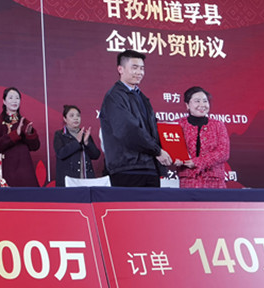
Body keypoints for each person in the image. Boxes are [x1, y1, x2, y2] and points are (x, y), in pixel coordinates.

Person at [99, 50, 174, 187]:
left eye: (142, 68)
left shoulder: (141, 96)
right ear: (120, 69)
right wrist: (157, 151)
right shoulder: (114, 97)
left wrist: (172, 152)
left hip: (149, 167)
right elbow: (128, 131)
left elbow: (152, 130)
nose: (139, 72)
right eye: (134, 67)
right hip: (127, 169)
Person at [175, 86, 230, 188]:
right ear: (187, 105)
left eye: (205, 101)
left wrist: (197, 162)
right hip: (188, 180)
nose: (202, 105)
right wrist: (174, 159)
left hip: (214, 181)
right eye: (197, 101)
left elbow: (223, 153)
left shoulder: (218, 125)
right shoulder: (177, 125)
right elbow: (171, 148)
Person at [0, 87, 40, 187]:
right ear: (4, 101)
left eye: (17, 98)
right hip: (7, 168)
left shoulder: (25, 122)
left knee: (28, 195)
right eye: (11, 98)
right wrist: (16, 133)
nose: (14, 101)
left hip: (25, 168)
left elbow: (35, 147)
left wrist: (29, 134)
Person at [54, 104, 101, 184]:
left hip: (86, 180)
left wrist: (87, 143)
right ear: (65, 119)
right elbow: (61, 153)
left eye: (78, 115)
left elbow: (96, 155)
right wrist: (77, 142)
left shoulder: (85, 134)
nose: (76, 118)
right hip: (69, 181)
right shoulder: (60, 135)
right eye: (72, 116)